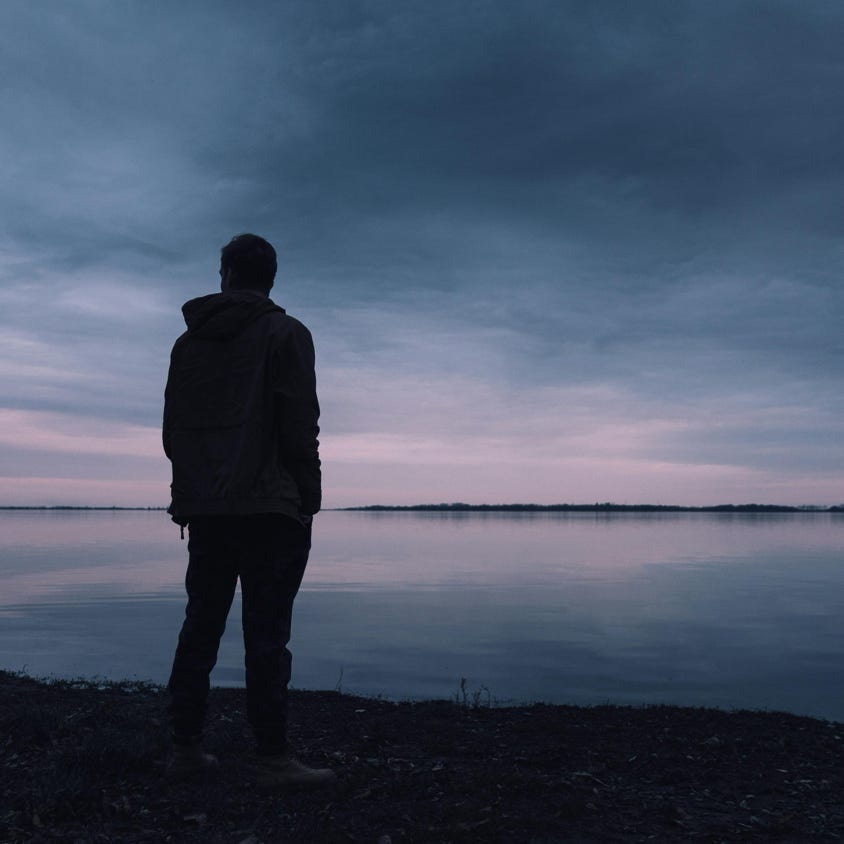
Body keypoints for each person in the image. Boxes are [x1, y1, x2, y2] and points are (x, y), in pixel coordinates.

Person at [162, 233, 334, 788]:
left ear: (226, 275)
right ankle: (271, 758)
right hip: (270, 509)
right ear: (270, 278)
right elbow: (298, 424)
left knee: (200, 626)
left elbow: (176, 433)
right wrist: (310, 497)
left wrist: (189, 496)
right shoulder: (286, 333)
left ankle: (184, 748)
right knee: (266, 636)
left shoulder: (187, 346)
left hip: (209, 508)